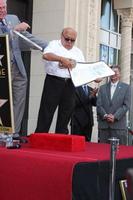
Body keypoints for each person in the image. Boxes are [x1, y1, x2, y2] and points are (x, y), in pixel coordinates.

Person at [0, 0, 47, 139]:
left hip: (17, 68)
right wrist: (14, 30)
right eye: (0, 8)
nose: (3, 10)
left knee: (18, 102)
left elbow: (25, 38)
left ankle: (13, 133)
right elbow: (5, 39)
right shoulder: (14, 25)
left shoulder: (13, 19)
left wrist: (50, 46)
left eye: (4, 7)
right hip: (2, 70)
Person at [35, 27, 85, 134]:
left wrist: (95, 77)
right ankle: (40, 135)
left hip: (70, 83)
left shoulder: (78, 52)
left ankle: (61, 136)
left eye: (72, 40)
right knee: (47, 111)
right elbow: (46, 55)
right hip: (54, 81)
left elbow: (83, 68)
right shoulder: (54, 44)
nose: (69, 42)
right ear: (61, 36)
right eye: (67, 39)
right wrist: (61, 59)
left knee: (66, 112)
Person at [97, 65, 131, 145]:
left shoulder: (126, 88)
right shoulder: (102, 88)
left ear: (120, 74)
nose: (113, 74)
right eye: (111, 72)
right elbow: (99, 105)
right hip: (104, 126)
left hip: (118, 126)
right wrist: (105, 115)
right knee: (102, 153)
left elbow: (126, 105)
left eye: (116, 72)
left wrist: (114, 116)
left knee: (120, 153)